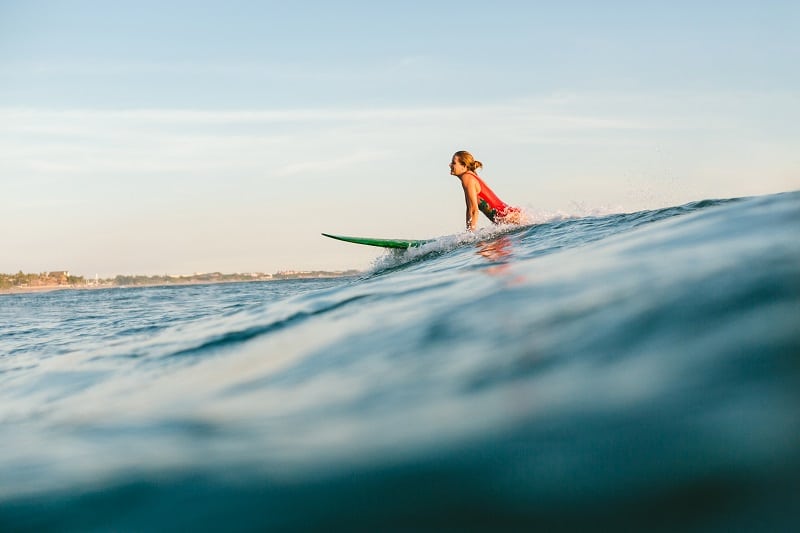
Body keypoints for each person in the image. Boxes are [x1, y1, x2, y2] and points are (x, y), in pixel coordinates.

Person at [449, 150, 523, 231]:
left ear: (464, 166)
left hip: (509, 218)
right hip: (510, 216)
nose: (450, 165)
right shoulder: (470, 176)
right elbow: (469, 209)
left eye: (453, 163)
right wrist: (468, 233)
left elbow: (474, 210)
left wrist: (470, 236)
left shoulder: (467, 178)